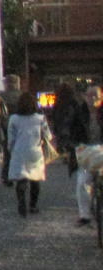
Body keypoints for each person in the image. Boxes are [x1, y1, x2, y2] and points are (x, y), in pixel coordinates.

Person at [48, 81, 91, 226]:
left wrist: (63, 142)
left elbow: (59, 124)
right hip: (82, 144)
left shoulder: (59, 105)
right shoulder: (77, 105)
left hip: (76, 144)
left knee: (82, 180)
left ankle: (85, 214)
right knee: (85, 179)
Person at [6, 90, 52, 217]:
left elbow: (11, 138)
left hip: (19, 151)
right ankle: (33, 205)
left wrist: (10, 150)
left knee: (21, 179)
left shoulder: (14, 119)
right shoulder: (40, 118)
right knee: (35, 179)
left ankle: (21, 202)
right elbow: (48, 136)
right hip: (35, 151)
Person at [0, 73, 22, 185]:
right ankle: (19, 174)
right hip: (20, 126)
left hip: (6, 125)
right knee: (19, 151)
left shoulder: (1, 96)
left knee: (7, 152)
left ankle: (7, 175)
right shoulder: (22, 95)